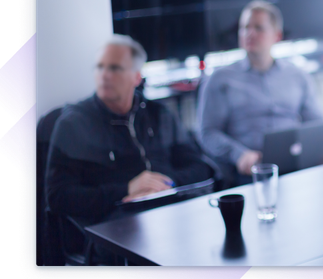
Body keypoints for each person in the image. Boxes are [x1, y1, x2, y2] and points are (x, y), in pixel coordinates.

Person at [45, 35, 215, 235]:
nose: (105, 75)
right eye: (100, 67)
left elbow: (199, 167)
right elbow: (58, 196)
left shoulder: (159, 114)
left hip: (170, 209)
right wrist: (126, 189)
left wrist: (166, 183)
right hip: (114, 223)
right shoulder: (75, 124)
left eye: (115, 68)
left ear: (137, 77)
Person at [197, 0, 323, 187]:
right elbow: (207, 133)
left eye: (258, 28)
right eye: (244, 28)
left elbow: (317, 123)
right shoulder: (220, 79)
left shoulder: (297, 75)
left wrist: (321, 147)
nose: (249, 33)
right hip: (249, 172)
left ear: (277, 36)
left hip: (296, 165)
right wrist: (238, 155)